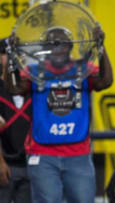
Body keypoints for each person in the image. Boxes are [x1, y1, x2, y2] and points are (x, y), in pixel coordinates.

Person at [8, 26, 113, 203]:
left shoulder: (83, 70)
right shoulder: (34, 72)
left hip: (78, 153)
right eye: (52, 44)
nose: (58, 48)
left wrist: (101, 48)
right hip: (42, 154)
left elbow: (106, 81)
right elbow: (13, 87)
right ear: (44, 48)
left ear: (71, 46)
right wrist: (11, 55)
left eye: (62, 44)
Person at [0, 38, 32, 203]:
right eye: (7, 53)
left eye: (17, 53)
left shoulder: (35, 87)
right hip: (5, 167)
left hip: (33, 165)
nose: (12, 58)